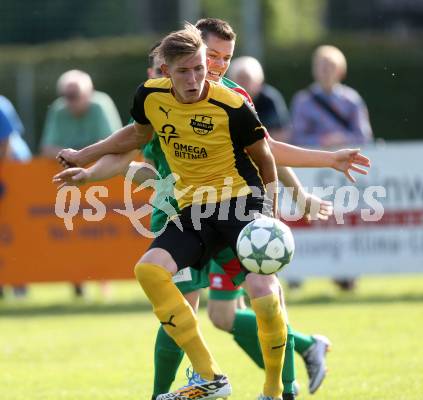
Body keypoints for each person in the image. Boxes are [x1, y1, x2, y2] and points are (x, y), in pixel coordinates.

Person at [55, 21, 369, 400]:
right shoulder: (154, 95)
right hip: (185, 210)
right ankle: (200, 381)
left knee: (261, 288)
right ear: (168, 65)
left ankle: (281, 388)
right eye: (209, 58)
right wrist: (87, 167)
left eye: (221, 59)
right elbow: (128, 147)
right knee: (186, 297)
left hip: (239, 206)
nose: (214, 67)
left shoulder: (231, 99)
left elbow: (266, 152)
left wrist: (302, 186)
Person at [290, 45, 374, 290]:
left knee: (346, 219)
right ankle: (297, 273)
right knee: (306, 219)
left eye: (330, 66)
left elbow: (364, 136)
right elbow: (296, 137)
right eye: (321, 66)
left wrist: (341, 140)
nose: (325, 71)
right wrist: (322, 143)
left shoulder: (351, 101)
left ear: (341, 71)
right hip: (311, 172)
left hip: (344, 175)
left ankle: (347, 275)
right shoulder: (303, 101)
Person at [40, 69, 122, 297]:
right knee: (69, 233)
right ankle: (76, 281)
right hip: (70, 183)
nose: (70, 101)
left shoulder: (100, 105)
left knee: (104, 232)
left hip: (102, 179)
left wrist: (78, 156)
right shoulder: (58, 110)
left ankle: (105, 282)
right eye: (66, 96)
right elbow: (46, 148)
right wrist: (79, 158)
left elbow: (114, 143)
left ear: (89, 92)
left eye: (75, 95)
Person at [0, 96, 32, 299]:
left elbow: (5, 143)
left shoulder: (0, 104)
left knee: (17, 230)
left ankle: (20, 284)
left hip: (13, 170)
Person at [228, 56, 290, 143]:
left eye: (246, 78)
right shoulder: (225, 99)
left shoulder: (270, 99)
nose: (242, 84)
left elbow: (280, 132)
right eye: (239, 78)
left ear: (259, 81)